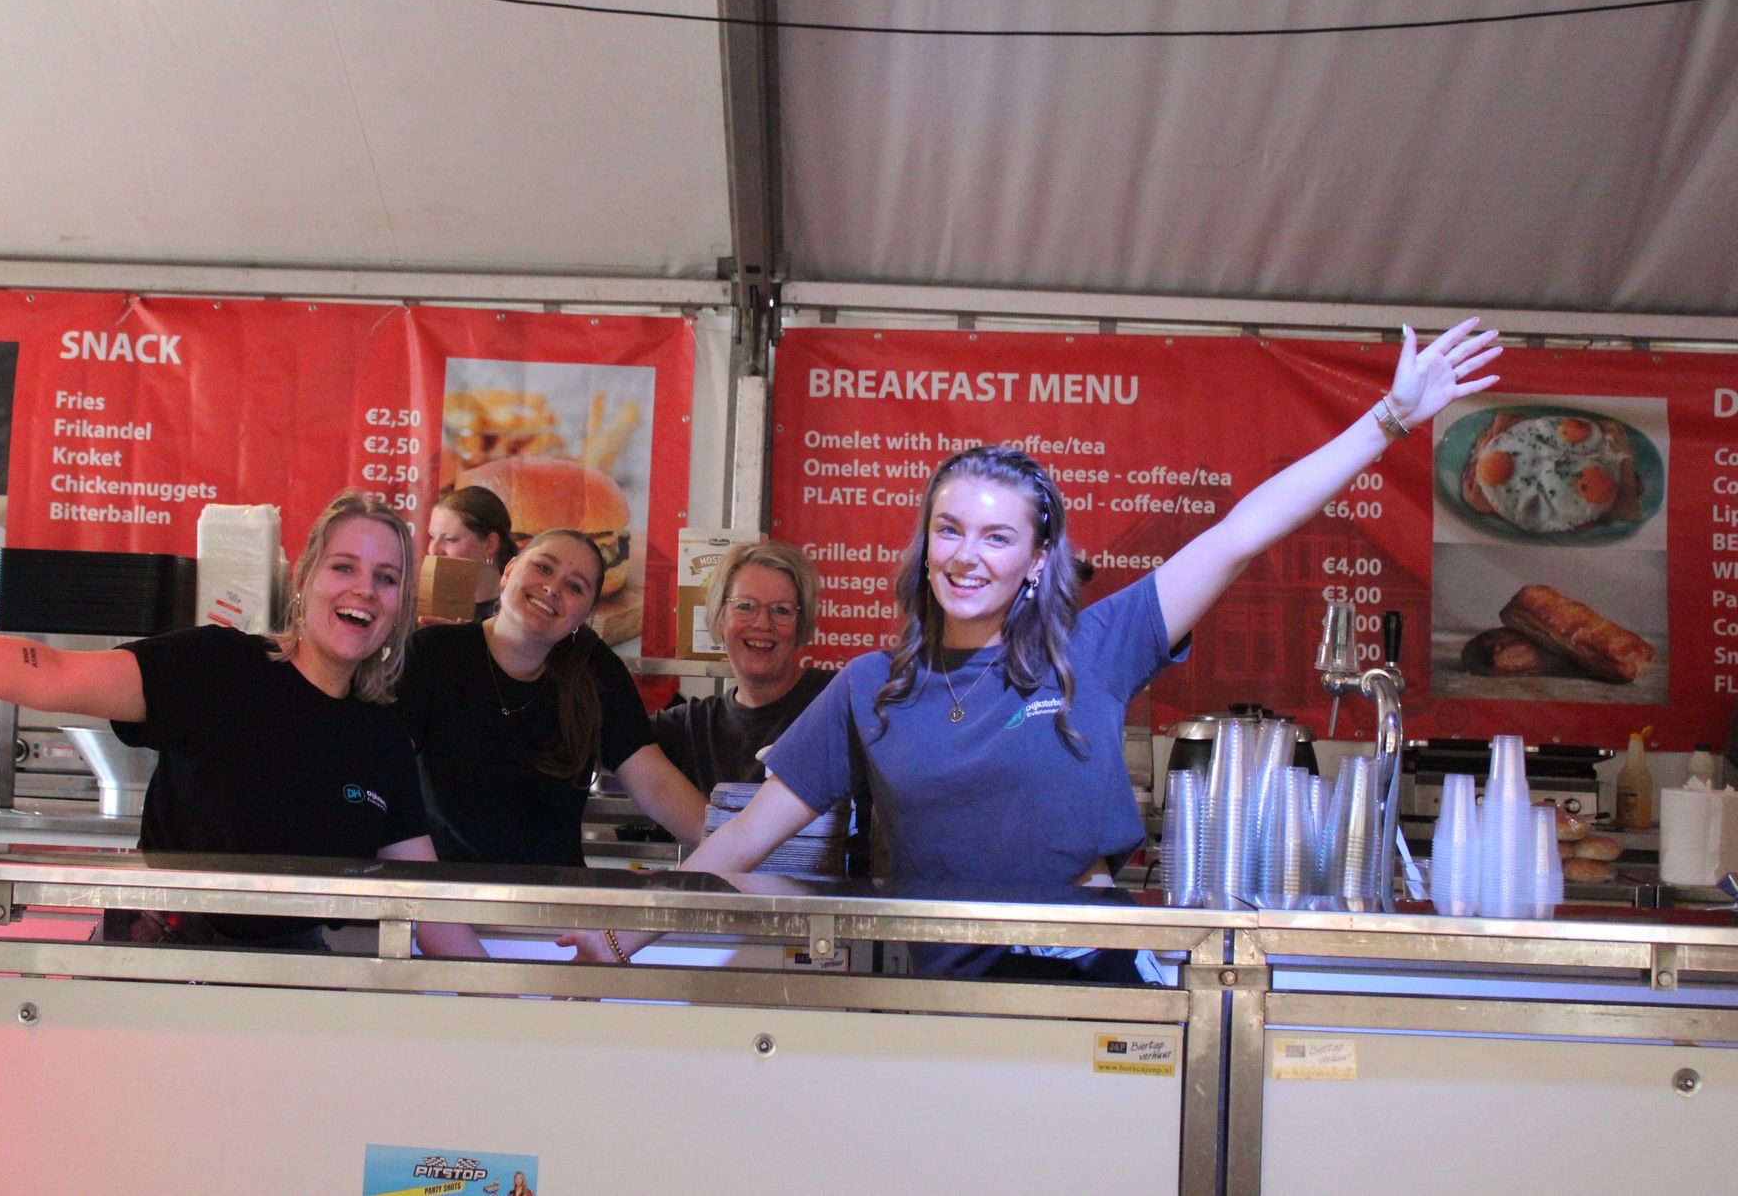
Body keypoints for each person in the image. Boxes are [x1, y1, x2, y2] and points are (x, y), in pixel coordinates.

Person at [562, 319, 1502, 974]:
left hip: (1091, 985)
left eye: (997, 536)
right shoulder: (868, 688)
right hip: (940, 995)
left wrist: (1387, 419)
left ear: (1038, 557)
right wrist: (622, 937)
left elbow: (1241, 532)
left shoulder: (1096, 644)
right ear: (925, 541)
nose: (967, 555)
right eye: (950, 529)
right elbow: (739, 839)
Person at [0, 490, 483, 957]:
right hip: (159, 964)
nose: (364, 590)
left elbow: (427, 904)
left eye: (386, 577)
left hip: (293, 983)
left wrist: (517, 1006)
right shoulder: (218, 667)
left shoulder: (381, 740)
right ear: (306, 579)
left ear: (400, 608)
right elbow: (53, 673)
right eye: (344, 567)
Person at [396, 528, 708, 866]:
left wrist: (739, 848)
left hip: (556, 893)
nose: (553, 587)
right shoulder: (434, 652)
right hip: (445, 889)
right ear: (509, 570)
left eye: (575, 587)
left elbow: (657, 786)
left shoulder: (593, 667)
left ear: (585, 615)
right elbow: (387, 774)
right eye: (544, 567)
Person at [652, 540, 835, 792]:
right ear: (719, 618)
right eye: (745, 606)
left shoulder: (838, 701)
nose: (763, 623)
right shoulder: (691, 728)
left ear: (800, 625)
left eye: (781, 610)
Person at [422, 486, 516, 624]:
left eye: (449, 539)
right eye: (431, 537)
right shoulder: (423, 604)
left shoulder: (515, 614)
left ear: (490, 544)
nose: (433, 550)